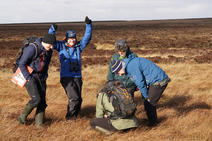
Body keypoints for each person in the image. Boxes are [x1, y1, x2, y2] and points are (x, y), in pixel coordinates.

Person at [48, 16, 92, 120]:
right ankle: (70, 119)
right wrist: (52, 29)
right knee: (74, 98)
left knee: (78, 99)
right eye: (70, 38)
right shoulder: (60, 46)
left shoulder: (79, 46)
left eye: (74, 38)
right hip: (66, 77)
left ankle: (76, 116)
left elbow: (87, 37)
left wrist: (88, 24)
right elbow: (50, 40)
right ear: (66, 39)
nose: (72, 40)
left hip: (77, 76)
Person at [111, 57, 171, 126]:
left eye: (118, 72)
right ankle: (151, 120)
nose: (120, 74)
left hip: (159, 81)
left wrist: (146, 96)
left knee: (149, 103)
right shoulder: (129, 64)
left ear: (120, 67)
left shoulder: (131, 67)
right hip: (155, 80)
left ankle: (153, 124)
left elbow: (140, 83)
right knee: (147, 102)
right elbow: (140, 79)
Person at [18, 34, 56, 127]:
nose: (51, 47)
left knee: (42, 102)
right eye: (50, 45)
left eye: (52, 45)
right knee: (36, 99)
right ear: (45, 42)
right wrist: (28, 78)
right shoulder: (32, 48)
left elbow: (46, 64)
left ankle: (39, 125)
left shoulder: (49, 50)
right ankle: (22, 118)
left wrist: (45, 75)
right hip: (30, 77)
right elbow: (21, 64)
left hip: (42, 77)